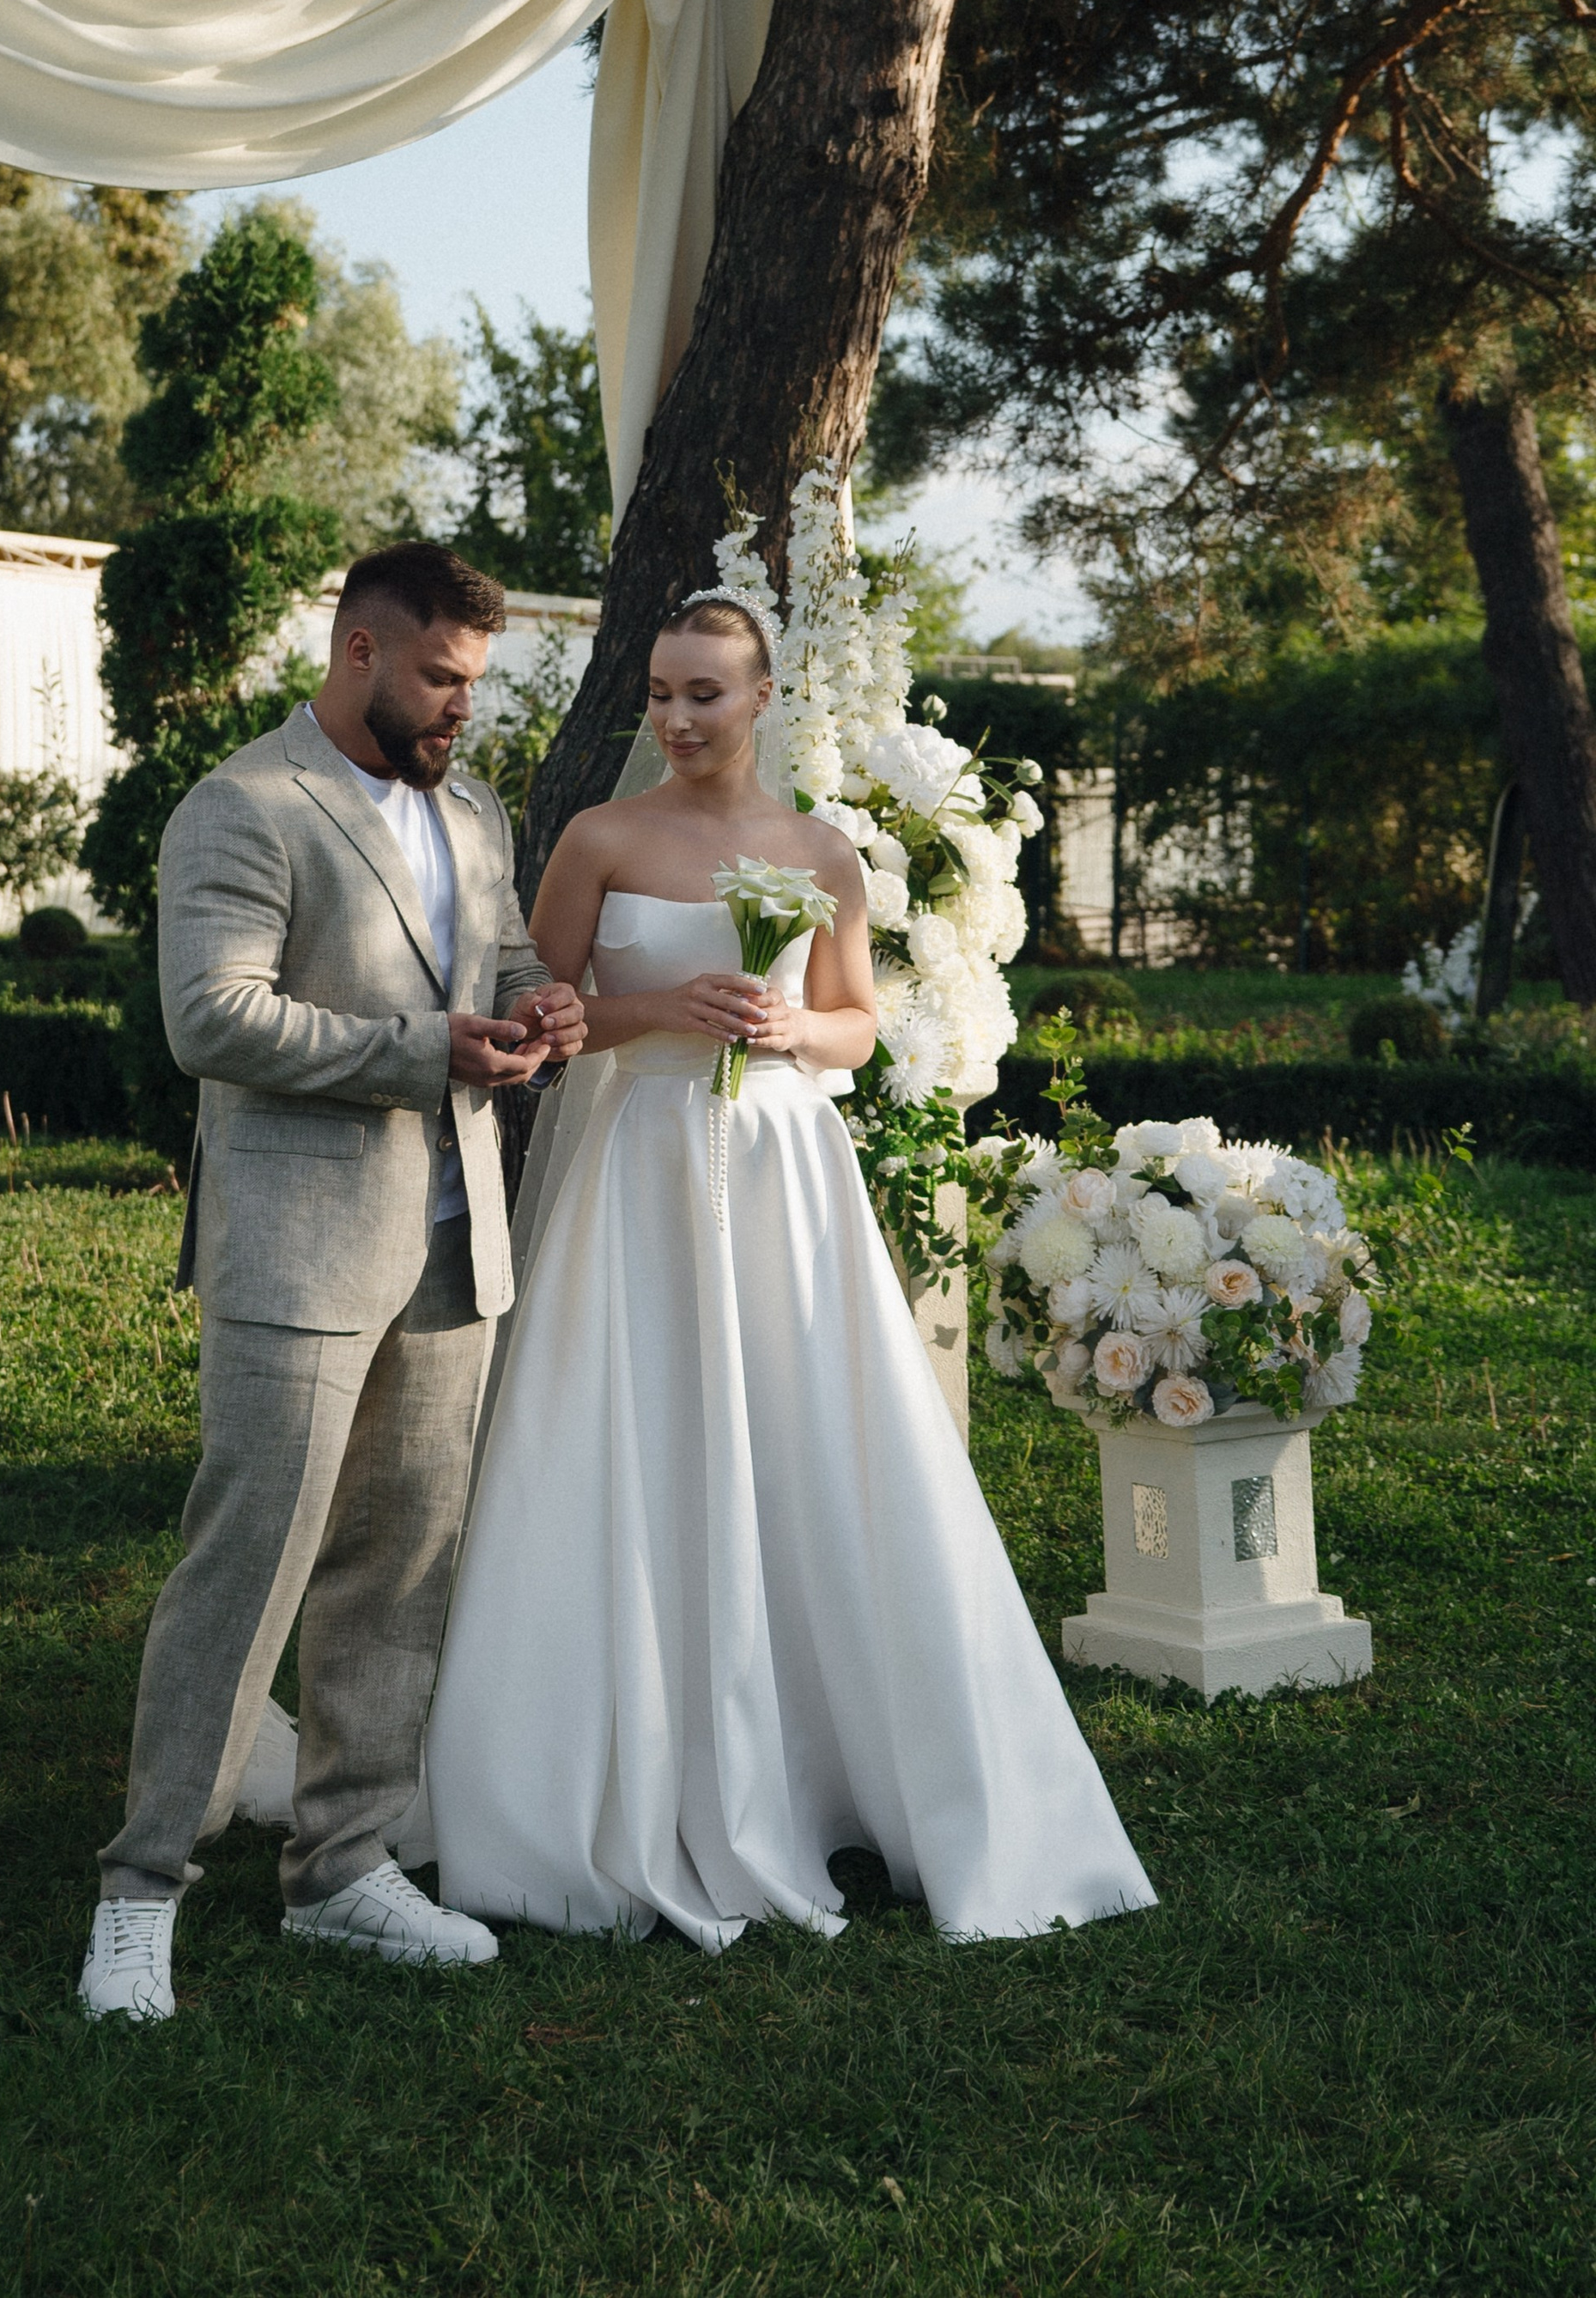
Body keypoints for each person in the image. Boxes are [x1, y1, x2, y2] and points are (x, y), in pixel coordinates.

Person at [420, 588, 1156, 1951]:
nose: (680, 716)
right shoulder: (597, 837)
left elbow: (863, 1028)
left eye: (707, 692)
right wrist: (659, 1010)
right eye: (662, 691)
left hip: (783, 1174)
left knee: (814, 1440)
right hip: (641, 1167)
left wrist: (793, 1029)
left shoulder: (822, 852)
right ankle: (592, 1778)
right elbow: (547, 1009)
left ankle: (840, 1759)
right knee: (634, 1440)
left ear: (763, 700)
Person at [79, 541, 587, 2022]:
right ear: (359, 651)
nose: (460, 709)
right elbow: (211, 1018)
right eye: (440, 677)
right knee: (245, 1572)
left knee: (400, 1572)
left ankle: (344, 1871)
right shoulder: (244, 806)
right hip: (298, 1256)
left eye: (474, 684)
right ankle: (139, 1896)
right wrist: (418, 1052)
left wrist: (534, 1009)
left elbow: (493, 965)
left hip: (456, 1239)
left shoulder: (475, 810)